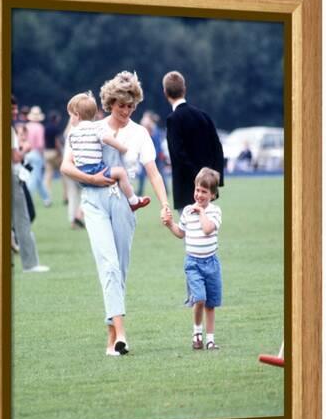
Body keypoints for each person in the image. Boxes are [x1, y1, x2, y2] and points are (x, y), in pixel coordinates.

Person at [61, 71, 170, 356]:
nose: (126, 110)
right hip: (94, 202)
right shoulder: (91, 128)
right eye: (121, 105)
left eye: (131, 105)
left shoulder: (140, 134)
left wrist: (164, 204)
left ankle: (112, 338)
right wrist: (96, 180)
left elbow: (154, 173)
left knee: (119, 270)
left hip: (123, 203)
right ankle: (121, 335)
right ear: (109, 102)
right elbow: (66, 166)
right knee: (108, 265)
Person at [162, 167, 222, 350]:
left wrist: (201, 212)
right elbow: (181, 233)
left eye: (204, 192)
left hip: (211, 263)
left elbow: (207, 229)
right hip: (193, 263)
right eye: (197, 190)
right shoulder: (187, 211)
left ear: (212, 195)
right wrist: (170, 224)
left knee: (210, 304)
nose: (199, 195)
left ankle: (210, 339)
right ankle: (197, 332)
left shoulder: (214, 212)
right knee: (200, 299)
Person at [67, 90, 151, 211]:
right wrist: (122, 148)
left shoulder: (72, 133)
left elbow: (73, 150)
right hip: (95, 169)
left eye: (70, 116)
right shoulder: (96, 128)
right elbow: (107, 139)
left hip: (81, 173)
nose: (70, 119)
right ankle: (133, 200)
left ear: (77, 115)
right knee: (121, 172)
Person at [162, 71, 224, 212]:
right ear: (184, 89)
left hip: (187, 189)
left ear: (165, 92)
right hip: (208, 189)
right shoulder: (203, 116)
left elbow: (179, 154)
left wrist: (198, 180)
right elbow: (217, 148)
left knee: (191, 233)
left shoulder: (173, 119)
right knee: (208, 231)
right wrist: (214, 181)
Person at [11, 96, 50, 273]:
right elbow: (16, 156)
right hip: (16, 172)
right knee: (23, 219)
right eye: (13, 109)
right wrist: (25, 149)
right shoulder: (12, 129)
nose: (16, 112)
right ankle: (30, 263)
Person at [25, 105, 51, 207]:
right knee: (34, 179)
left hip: (27, 153)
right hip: (36, 153)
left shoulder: (26, 126)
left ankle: (46, 199)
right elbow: (40, 144)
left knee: (37, 178)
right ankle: (27, 198)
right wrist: (42, 156)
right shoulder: (39, 127)